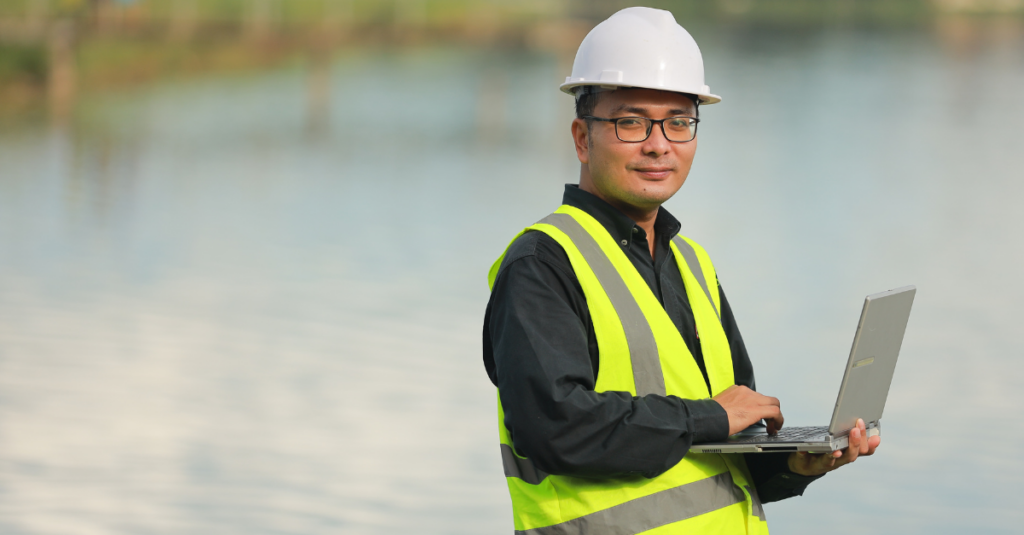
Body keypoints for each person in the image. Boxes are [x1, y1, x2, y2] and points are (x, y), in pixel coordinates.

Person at [481, 7, 881, 534]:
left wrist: (790, 464)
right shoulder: (542, 263)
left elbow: (719, 449)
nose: (658, 143)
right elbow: (557, 428)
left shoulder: (691, 264)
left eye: (678, 122)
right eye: (630, 122)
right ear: (582, 137)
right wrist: (711, 417)